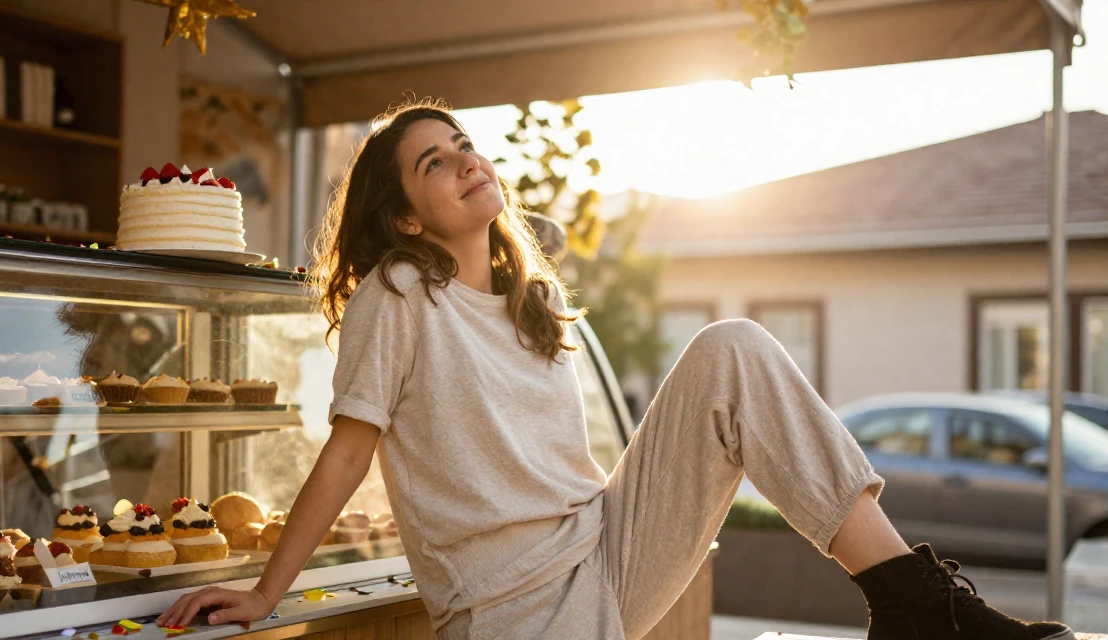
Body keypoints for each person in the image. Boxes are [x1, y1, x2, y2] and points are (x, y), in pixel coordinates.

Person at [158, 103, 1075, 640]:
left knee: (733, 348)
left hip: (606, 548)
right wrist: (268, 593)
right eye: (433, 163)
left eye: (463, 145)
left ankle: (913, 604)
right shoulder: (400, 292)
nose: (465, 161)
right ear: (405, 217)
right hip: (511, 605)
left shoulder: (529, 298)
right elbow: (349, 451)